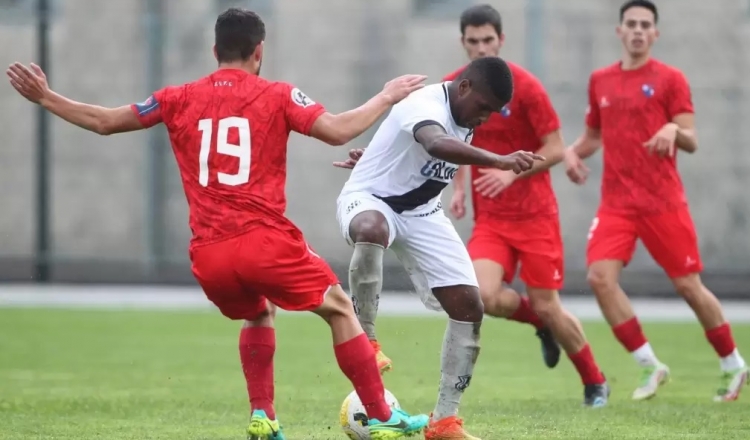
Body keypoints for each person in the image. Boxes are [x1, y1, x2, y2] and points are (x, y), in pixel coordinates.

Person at [7, 8, 432, 440]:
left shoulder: (176, 97)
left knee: (259, 311)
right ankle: (381, 416)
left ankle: (262, 415)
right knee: (340, 308)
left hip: (209, 255)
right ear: (259, 51)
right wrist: (385, 95)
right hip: (264, 243)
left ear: (215, 51)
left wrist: (46, 97)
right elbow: (340, 130)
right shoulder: (279, 94)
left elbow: (104, 122)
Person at [336, 55, 544, 440]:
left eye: (493, 113)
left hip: (422, 213)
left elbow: (414, 158)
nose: (486, 118)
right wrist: (499, 159)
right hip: (371, 199)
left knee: (470, 305)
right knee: (371, 227)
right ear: (464, 87)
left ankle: (445, 421)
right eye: (484, 108)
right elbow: (434, 143)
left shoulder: (465, 114)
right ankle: (366, 341)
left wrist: (376, 157)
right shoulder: (425, 103)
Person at [565, 0, 748, 402]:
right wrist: (573, 152)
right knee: (599, 278)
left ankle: (733, 363)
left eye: (645, 25)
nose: (637, 30)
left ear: (655, 34)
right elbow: (595, 134)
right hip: (616, 204)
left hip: (663, 202)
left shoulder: (670, 79)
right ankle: (650, 364)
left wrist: (670, 129)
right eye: (630, 23)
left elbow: (692, 138)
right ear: (619, 31)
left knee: (688, 286)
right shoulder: (600, 80)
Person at [442, 4, 610, 407]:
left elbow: (554, 148)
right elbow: (457, 141)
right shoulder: (454, 87)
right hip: (492, 221)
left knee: (549, 305)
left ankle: (595, 381)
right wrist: (459, 187)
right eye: (473, 41)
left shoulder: (526, 87)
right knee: (480, 295)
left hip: (536, 218)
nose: (481, 48)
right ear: (463, 43)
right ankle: (540, 324)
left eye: (488, 40)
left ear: (501, 40)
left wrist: (511, 172)